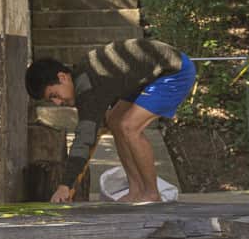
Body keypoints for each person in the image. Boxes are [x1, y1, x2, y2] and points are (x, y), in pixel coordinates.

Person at [25, 38, 196, 204]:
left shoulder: (89, 88)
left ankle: (151, 193)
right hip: (147, 76)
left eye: (54, 95)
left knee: (129, 126)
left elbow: (84, 140)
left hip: (174, 71)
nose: (57, 102)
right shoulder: (83, 78)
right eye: (51, 100)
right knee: (115, 121)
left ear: (63, 77)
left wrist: (64, 186)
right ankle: (135, 190)